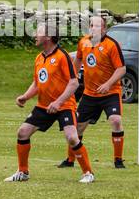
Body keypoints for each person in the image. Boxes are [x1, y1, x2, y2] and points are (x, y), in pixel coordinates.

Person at [5, 22, 94, 183]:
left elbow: (73, 83)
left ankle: (88, 173)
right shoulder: (39, 58)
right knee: (22, 133)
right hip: (44, 106)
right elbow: (38, 83)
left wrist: (59, 103)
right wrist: (25, 96)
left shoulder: (62, 56)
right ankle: (23, 172)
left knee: (72, 138)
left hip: (64, 105)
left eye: (37, 33)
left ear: (48, 37)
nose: (34, 36)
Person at [59, 15, 127, 169]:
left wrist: (108, 84)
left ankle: (118, 160)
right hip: (90, 94)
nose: (93, 28)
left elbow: (122, 69)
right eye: (91, 25)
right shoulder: (83, 42)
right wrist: (73, 77)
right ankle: (70, 161)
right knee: (77, 128)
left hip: (110, 93)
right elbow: (78, 60)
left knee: (115, 121)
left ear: (104, 29)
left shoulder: (112, 45)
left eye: (97, 25)